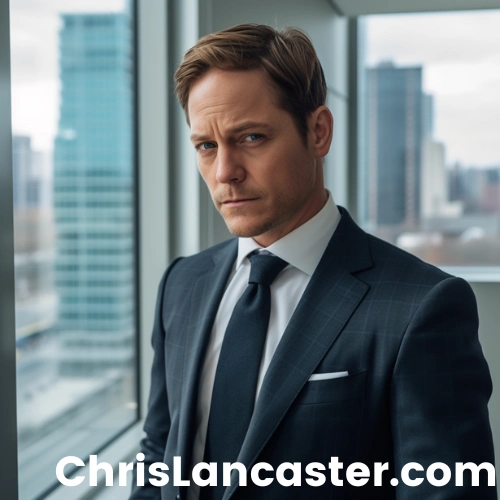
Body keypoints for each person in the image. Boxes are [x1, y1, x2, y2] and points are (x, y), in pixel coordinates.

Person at [130, 24, 495, 500]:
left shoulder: (422, 307)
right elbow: (159, 454)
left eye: (252, 137)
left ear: (318, 132)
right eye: (206, 146)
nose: (225, 172)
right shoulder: (182, 283)